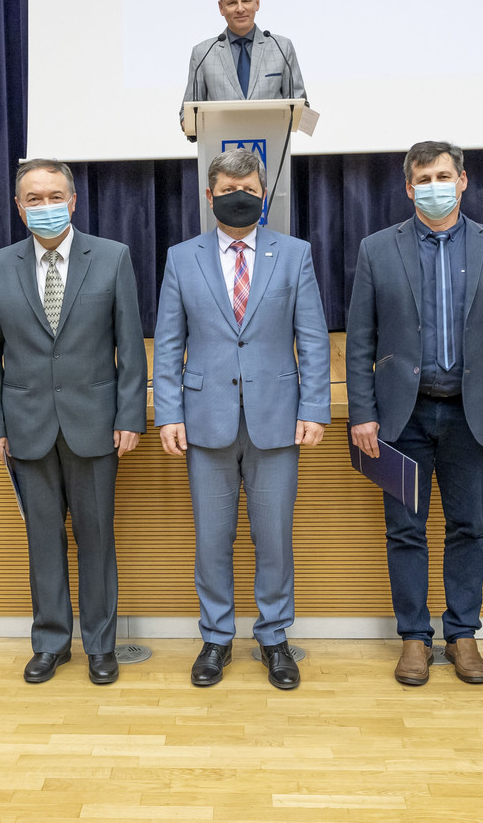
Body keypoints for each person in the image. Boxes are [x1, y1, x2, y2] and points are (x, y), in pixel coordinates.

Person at [345, 141, 483, 686]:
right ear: (409, 188)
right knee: (405, 529)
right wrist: (362, 412)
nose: (435, 186)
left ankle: (462, 634)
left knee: (468, 527)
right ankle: (414, 637)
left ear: (463, 181)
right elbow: (359, 341)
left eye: (443, 176)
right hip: (399, 419)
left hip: (472, 417)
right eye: (424, 179)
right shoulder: (377, 249)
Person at [153, 148, 331, 690]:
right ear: (210, 197)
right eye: (229, 191)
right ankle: (216, 637)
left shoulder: (294, 254)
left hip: (276, 418)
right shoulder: (181, 257)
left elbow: (313, 338)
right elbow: (169, 342)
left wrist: (315, 407)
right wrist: (168, 413)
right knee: (213, 539)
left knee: (274, 537)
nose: (239, 198)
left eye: (249, 190)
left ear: (264, 194)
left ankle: (274, 637)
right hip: (204, 418)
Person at [0, 159, 147, 685]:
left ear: (72, 202)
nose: (45, 206)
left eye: (54, 196)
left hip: (95, 423)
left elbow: (130, 346)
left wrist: (130, 416)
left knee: (96, 540)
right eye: (34, 198)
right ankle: (50, 642)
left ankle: (100, 645)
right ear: (19, 207)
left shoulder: (112, 257)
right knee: (43, 541)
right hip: (26, 426)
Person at [180, 0, 306, 136]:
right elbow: (187, 111)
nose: (240, 9)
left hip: (271, 145)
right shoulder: (203, 53)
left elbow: (301, 105)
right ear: (221, 8)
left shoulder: (281, 47)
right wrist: (187, 123)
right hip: (221, 147)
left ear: (257, 2)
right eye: (232, 3)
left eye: (246, 0)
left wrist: (311, 121)